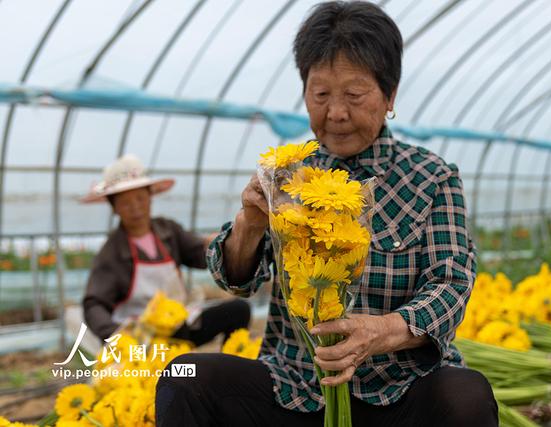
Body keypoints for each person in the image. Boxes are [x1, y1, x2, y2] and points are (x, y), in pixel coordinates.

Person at [156, 2, 498, 426]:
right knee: (183, 375)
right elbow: (235, 280)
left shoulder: (431, 178)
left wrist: (380, 332)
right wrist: (250, 221)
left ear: (389, 96)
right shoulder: (289, 173)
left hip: (399, 390)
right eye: (320, 95)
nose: (335, 112)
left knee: (467, 395)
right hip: (296, 389)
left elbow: (450, 285)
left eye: (354, 95)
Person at [80, 154, 250, 348]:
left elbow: (200, 254)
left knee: (239, 310)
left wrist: (219, 242)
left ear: (150, 197)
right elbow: (94, 304)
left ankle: (231, 368)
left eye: (140, 198)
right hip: (142, 336)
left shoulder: (168, 230)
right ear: (114, 208)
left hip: (179, 324)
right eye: (125, 203)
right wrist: (116, 336)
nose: (135, 208)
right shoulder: (111, 253)